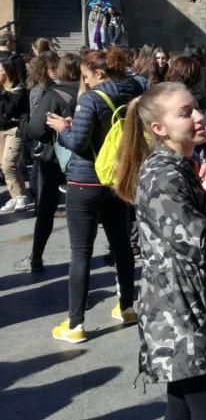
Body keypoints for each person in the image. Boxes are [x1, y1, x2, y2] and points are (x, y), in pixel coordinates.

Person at [113, 82, 206, 420]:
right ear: (159, 129)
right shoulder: (163, 176)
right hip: (182, 320)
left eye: (196, 107)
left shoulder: (182, 166)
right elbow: (205, 248)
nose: (198, 117)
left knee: (180, 411)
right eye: (185, 113)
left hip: (186, 312)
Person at [47, 48, 143, 343]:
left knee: (81, 252)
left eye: (86, 77)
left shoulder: (91, 98)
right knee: (122, 245)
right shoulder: (135, 91)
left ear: (99, 74)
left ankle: (75, 323)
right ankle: (126, 306)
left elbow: (77, 142)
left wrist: (63, 129)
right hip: (117, 177)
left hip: (86, 180)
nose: (84, 82)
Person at [15, 54, 80, 273]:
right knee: (82, 217)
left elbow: (35, 128)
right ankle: (83, 265)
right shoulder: (91, 93)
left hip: (54, 158)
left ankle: (36, 258)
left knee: (46, 210)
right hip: (84, 160)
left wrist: (49, 138)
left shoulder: (55, 94)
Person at [0, 59, 29, 211]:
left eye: (1, 71)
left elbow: (8, 110)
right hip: (0, 131)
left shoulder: (18, 90)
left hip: (13, 130)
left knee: (8, 164)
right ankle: (16, 195)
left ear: (8, 73)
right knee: (4, 165)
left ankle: (21, 197)